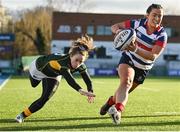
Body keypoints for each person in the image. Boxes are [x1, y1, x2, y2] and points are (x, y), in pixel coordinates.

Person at [100, 4, 167, 124]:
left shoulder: (162, 35)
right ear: (147, 15)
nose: (157, 18)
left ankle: (110, 102)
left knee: (125, 89)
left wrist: (135, 49)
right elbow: (114, 26)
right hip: (129, 58)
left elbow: (153, 56)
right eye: (154, 15)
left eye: (160, 16)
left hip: (144, 66)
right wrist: (119, 31)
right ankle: (118, 112)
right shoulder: (137, 24)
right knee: (126, 82)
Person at [15, 35, 96, 123]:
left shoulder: (80, 65)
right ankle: (29, 72)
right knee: (34, 85)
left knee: (45, 98)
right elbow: (70, 80)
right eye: (76, 60)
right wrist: (80, 90)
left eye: (81, 61)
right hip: (38, 68)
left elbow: (87, 79)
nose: (78, 64)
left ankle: (22, 115)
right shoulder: (63, 62)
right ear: (71, 55)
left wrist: (90, 91)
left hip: (54, 74)